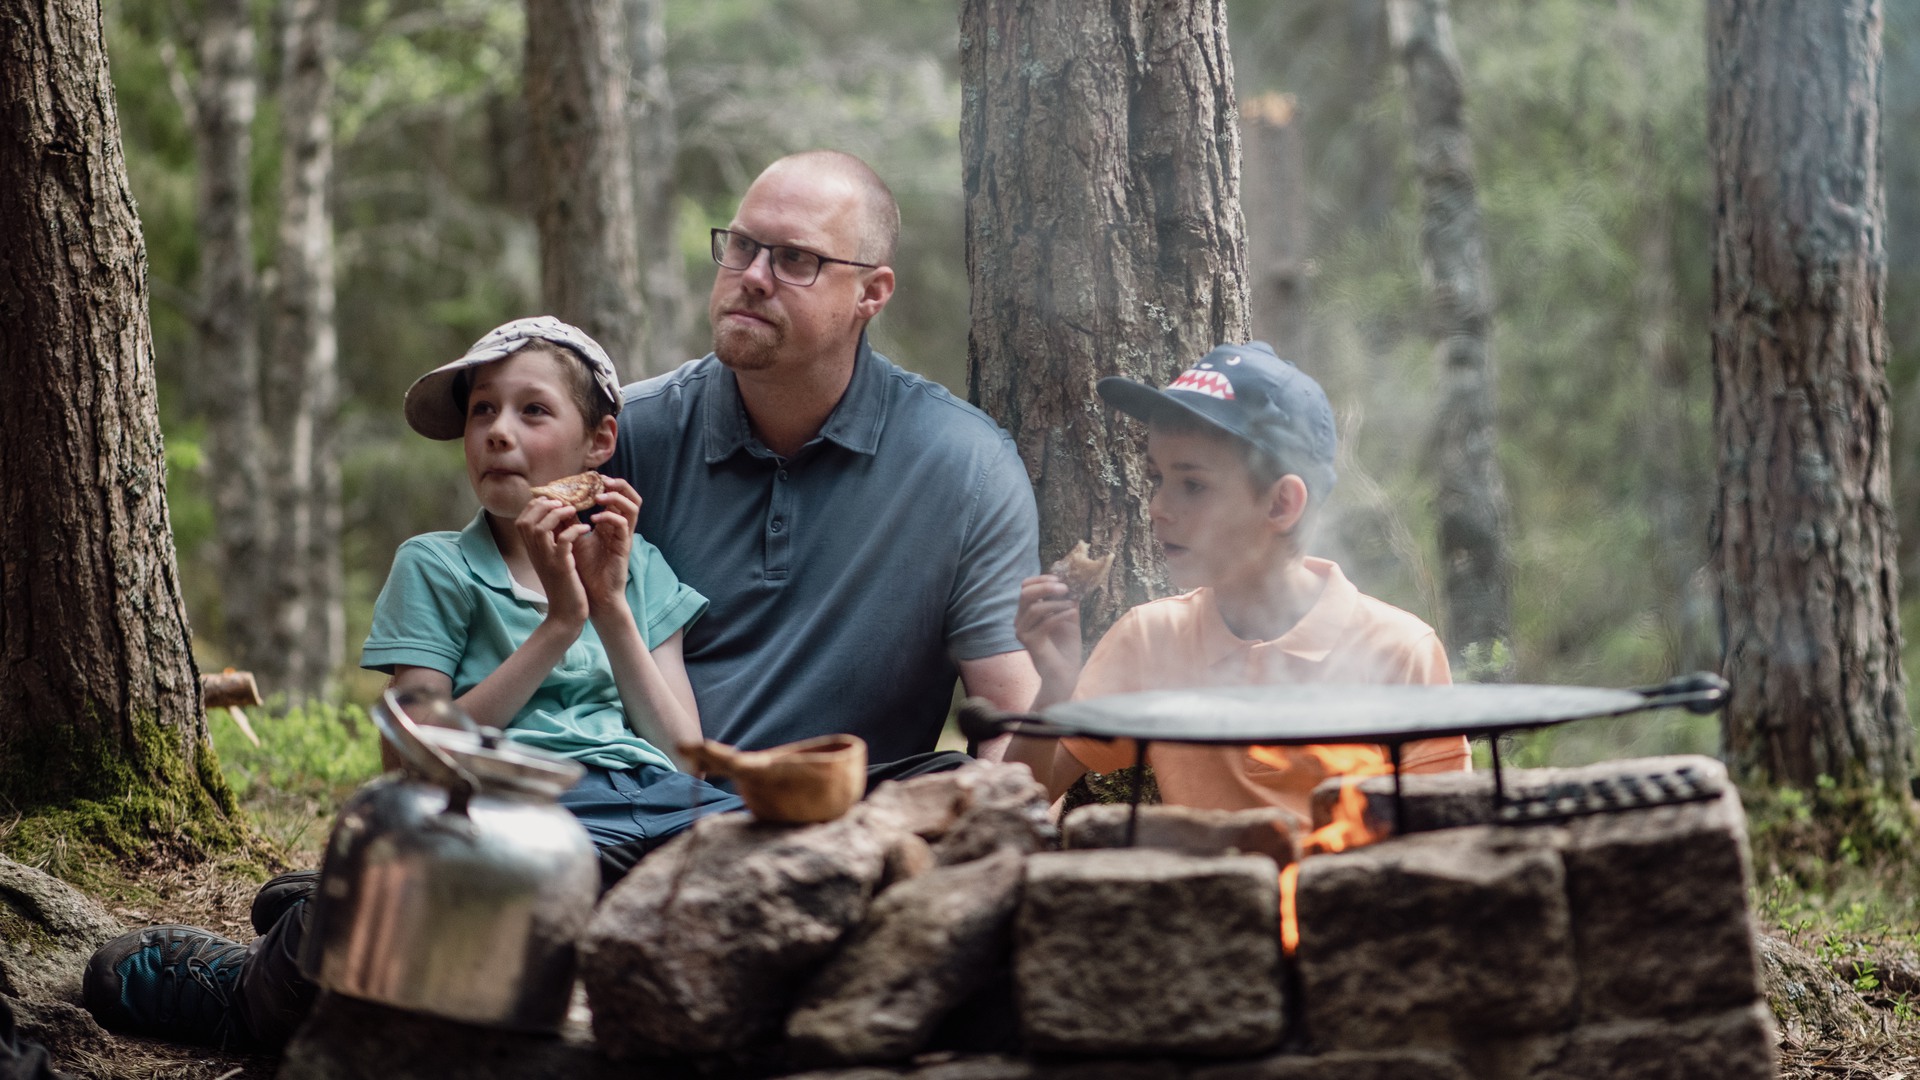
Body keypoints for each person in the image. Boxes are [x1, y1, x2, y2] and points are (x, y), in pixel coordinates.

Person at [82, 317, 747, 1050]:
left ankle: (340, 902)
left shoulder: (640, 565)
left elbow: (687, 757)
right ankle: (247, 992)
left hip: (659, 807)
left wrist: (611, 605)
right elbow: (411, 757)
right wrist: (560, 622)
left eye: (533, 410)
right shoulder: (437, 566)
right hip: (512, 814)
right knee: (476, 885)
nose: (498, 431)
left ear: (599, 443)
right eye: (481, 410)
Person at [605, 149, 1041, 771]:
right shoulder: (625, 438)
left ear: (872, 293)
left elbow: (1007, 722)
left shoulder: (966, 467)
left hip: (858, 826)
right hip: (645, 812)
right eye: (742, 246)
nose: (753, 275)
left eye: (794, 259)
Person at [1006, 341, 1469, 821]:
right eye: (1157, 478)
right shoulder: (1150, 640)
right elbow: (1020, 802)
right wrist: (1055, 687)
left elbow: (1447, 834)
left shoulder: (1396, 650)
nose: (1158, 508)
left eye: (1193, 485)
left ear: (1281, 505)